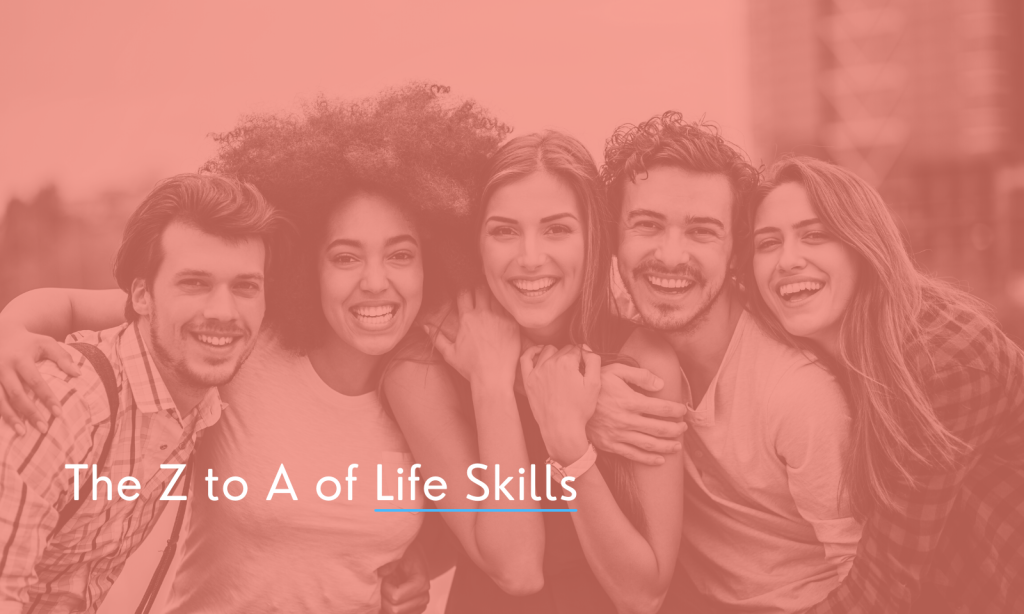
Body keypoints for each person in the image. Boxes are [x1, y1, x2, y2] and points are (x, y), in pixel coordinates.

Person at [0, 84, 543, 613]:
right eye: (346, 257)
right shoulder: (240, 341)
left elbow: (515, 565)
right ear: (309, 264)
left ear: (433, 262)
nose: (376, 281)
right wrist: (9, 330)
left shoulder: (425, 385)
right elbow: (82, 308)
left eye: (400, 255)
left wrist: (422, 553)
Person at [589, 113, 862, 613]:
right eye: (647, 225)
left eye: (701, 231)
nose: (671, 256)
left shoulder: (798, 396)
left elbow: (866, 580)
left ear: (735, 251)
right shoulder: (629, 346)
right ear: (614, 239)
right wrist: (585, 389)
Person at [746, 156, 1024, 613]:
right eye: (767, 243)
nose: (788, 260)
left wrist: (578, 464)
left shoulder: (945, 363)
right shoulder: (800, 356)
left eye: (815, 235)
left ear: (862, 244)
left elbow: (884, 586)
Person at [0, 173, 289, 613]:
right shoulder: (62, 409)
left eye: (245, 286)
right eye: (194, 283)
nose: (223, 311)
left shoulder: (191, 400)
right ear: (141, 295)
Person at [431, 131, 687, 614]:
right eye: (504, 230)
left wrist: (570, 444)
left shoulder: (642, 362)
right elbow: (513, 567)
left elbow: (643, 593)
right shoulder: (437, 360)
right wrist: (494, 387)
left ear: (595, 237)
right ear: (476, 243)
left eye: (557, 229)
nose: (530, 258)